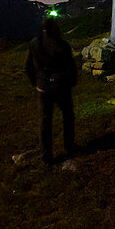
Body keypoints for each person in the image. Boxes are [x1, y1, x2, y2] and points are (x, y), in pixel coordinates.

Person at [25, 17, 78, 164]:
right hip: (61, 87)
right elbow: (70, 67)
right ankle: (69, 146)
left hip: (42, 87)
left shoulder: (35, 43)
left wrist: (35, 83)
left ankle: (46, 156)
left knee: (45, 120)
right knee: (68, 116)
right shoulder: (63, 45)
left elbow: (29, 67)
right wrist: (72, 82)